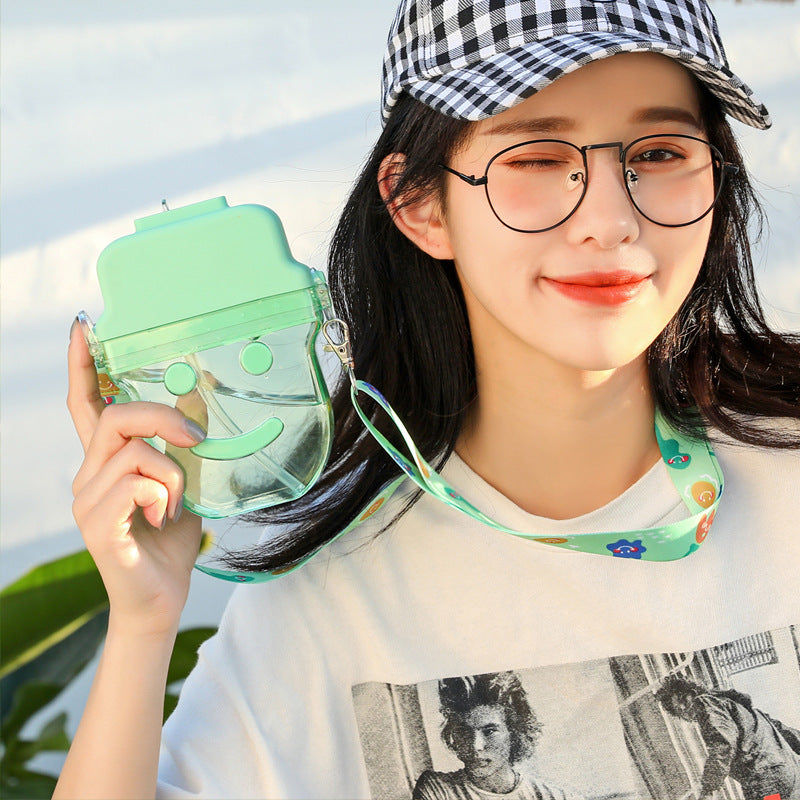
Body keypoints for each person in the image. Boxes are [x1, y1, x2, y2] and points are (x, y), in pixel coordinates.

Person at [55, 0, 800, 797]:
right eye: (538, 159)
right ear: (419, 202)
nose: (612, 221)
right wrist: (141, 627)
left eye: (657, 151)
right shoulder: (330, 601)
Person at [412, 672, 577, 800]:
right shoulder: (438, 789)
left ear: (514, 733)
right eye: (464, 732)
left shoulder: (553, 796)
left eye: (489, 731)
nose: (476, 745)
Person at [655, 676, 800, 800]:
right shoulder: (746, 710)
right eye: (677, 710)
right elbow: (789, 733)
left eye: (683, 701)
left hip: (767, 782)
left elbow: (723, 744)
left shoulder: (705, 702)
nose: (682, 708)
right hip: (789, 777)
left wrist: (708, 789)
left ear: (693, 693)